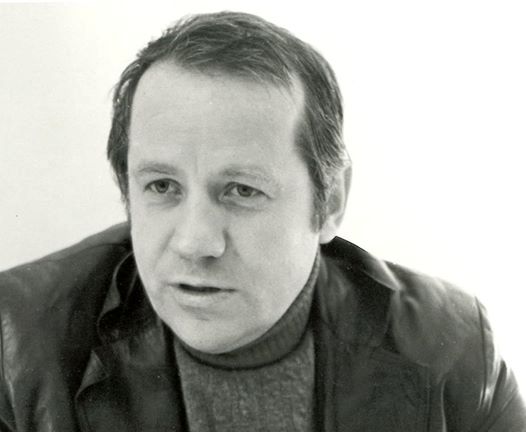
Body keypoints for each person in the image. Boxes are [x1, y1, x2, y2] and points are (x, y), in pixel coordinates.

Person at [0, 10, 524, 432]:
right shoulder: (16, 341)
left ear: (330, 201)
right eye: (162, 186)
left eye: (243, 190)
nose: (195, 242)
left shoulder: (454, 347)